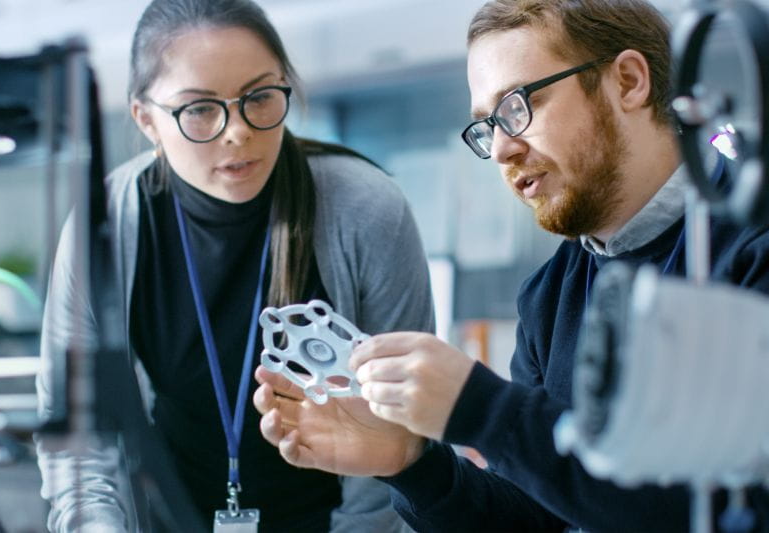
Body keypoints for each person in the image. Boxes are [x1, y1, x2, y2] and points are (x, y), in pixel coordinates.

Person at [253, 0, 769, 530]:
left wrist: (484, 409)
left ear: (630, 81)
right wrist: (414, 464)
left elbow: (724, 506)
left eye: (519, 105)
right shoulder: (549, 296)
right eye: (487, 125)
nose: (500, 149)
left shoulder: (750, 246)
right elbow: (533, 519)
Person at [34, 0, 435, 531]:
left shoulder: (366, 209)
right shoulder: (107, 224)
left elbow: (399, 427)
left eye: (260, 97)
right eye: (199, 108)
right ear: (146, 119)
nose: (238, 131)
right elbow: (78, 434)